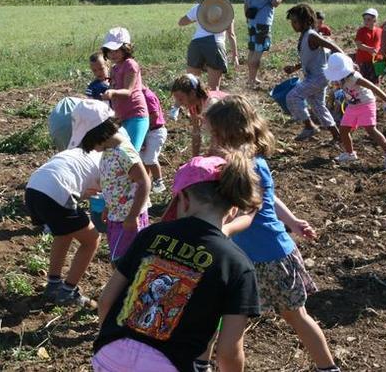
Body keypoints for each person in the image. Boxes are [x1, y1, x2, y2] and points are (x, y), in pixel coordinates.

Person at [93, 152, 262, 372]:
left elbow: (106, 300)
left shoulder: (152, 234)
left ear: (183, 199)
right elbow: (228, 352)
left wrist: (114, 341)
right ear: (233, 209)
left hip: (110, 354)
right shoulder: (238, 266)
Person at [207, 95, 341, 372]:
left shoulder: (249, 166)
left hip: (271, 258)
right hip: (245, 258)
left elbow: (253, 209)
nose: (212, 139)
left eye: (214, 133)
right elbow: (271, 198)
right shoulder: (243, 163)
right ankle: (204, 363)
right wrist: (293, 221)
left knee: (295, 316)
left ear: (228, 133)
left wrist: (219, 232)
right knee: (230, 321)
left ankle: (328, 368)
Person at [69, 100, 150, 263]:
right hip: (117, 214)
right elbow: (116, 182)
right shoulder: (109, 150)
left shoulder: (123, 152)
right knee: (118, 258)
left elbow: (144, 182)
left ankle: (128, 288)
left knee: (125, 260)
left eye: (88, 143)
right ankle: (124, 287)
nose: (90, 148)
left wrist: (132, 216)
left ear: (96, 134)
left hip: (129, 217)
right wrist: (108, 205)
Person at [25, 144, 102, 307]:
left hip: (33, 189)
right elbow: (109, 191)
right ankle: (68, 292)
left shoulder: (79, 151)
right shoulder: (108, 161)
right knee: (92, 239)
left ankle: (53, 284)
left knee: (63, 232)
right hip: (57, 193)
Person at [324, 53, 386, 168]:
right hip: (352, 106)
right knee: (343, 130)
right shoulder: (341, 79)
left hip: (366, 104)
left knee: (370, 129)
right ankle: (350, 154)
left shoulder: (355, 78)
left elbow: (372, 87)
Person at [283, 3, 343, 142]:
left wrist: (346, 63)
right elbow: (310, 57)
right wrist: (294, 68)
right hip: (316, 76)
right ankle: (336, 134)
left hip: (318, 77)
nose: (293, 24)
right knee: (318, 106)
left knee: (292, 96)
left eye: (295, 21)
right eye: (291, 21)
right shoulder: (305, 36)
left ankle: (309, 126)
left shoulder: (311, 35)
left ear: (306, 21)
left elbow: (333, 47)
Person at [100, 27, 149, 152]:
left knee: (130, 153)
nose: (113, 54)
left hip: (136, 114)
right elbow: (112, 87)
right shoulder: (115, 68)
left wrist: (112, 93)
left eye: (116, 50)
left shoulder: (130, 64)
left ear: (126, 48)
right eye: (110, 51)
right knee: (123, 153)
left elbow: (128, 91)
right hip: (122, 117)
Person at [178, 0, 238, 91]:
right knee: (214, 88)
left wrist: (198, 19)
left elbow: (181, 22)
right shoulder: (226, 10)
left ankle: (195, 106)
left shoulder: (198, 8)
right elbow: (231, 35)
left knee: (193, 86)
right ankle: (211, 106)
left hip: (196, 45)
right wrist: (235, 55)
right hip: (215, 45)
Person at [170, 74, 227, 157]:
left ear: (192, 93)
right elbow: (196, 132)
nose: (179, 103)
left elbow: (219, 134)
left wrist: (212, 154)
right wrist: (194, 158)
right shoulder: (193, 105)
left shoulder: (211, 104)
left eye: (181, 99)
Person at [244, 0, 285, 88]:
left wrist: (248, 19)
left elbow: (246, 4)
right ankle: (252, 81)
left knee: (252, 50)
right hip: (263, 22)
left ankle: (251, 77)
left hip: (251, 21)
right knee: (258, 51)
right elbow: (275, 3)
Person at [141, 87, 168, 194]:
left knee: (150, 158)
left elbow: (154, 115)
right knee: (143, 159)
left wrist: (143, 127)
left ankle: (158, 182)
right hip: (147, 131)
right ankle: (145, 183)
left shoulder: (147, 95)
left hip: (155, 131)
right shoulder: (137, 94)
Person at [354, 8, 383, 84]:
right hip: (363, 62)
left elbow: (381, 45)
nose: (366, 22)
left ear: (375, 20)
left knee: (376, 83)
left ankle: (375, 96)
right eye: (365, 19)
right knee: (364, 83)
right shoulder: (361, 31)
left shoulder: (380, 31)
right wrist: (369, 49)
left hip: (376, 61)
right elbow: (359, 45)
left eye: (368, 19)